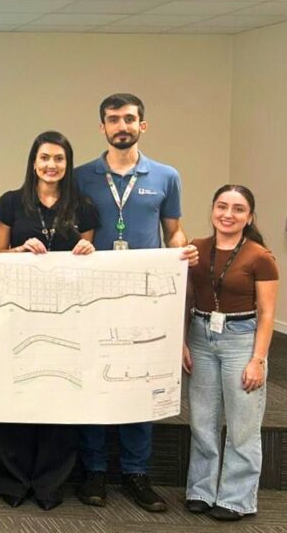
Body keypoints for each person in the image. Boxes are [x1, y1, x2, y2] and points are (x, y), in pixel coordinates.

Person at [73, 93, 198, 512]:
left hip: (144, 299)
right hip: (91, 296)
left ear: (142, 125)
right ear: (102, 127)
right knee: (93, 376)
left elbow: (174, 231)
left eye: (129, 119)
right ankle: (93, 469)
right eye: (113, 120)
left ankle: (135, 472)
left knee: (138, 381)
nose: (121, 126)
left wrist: (184, 253)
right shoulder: (81, 176)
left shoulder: (166, 176)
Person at [0, 130, 98, 510]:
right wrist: (18, 250)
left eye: (59, 159)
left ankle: (50, 483)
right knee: (17, 393)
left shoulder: (83, 207)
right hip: (18, 313)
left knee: (60, 397)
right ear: (33, 162)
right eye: (45, 158)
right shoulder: (10, 202)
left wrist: (88, 249)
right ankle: (14, 480)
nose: (51, 165)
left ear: (67, 165)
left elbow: (89, 261)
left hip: (67, 317)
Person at [183, 185, 278, 522]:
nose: (228, 214)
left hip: (241, 338)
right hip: (200, 335)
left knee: (242, 424)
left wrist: (258, 359)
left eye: (238, 209)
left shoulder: (260, 256)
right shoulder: (196, 249)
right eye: (222, 206)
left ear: (249, 216)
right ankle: (201, 490)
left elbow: (267, 313)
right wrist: (182, 340)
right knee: (203, 421)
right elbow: (187, 297)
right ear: (212, 210)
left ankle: (237, 498)